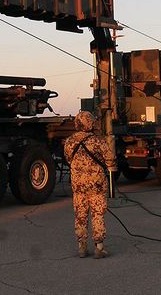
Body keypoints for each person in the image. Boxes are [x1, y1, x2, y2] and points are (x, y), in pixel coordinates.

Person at [63, 111, 114, 259]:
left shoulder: (69, 141)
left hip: (78, 186)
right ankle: (99, 247)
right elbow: (110, 159)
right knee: (97, 214)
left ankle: (82, 247)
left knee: (80, 215)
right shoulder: (98, 141)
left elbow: (68, 159)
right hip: (96, 186)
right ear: (90, 123)